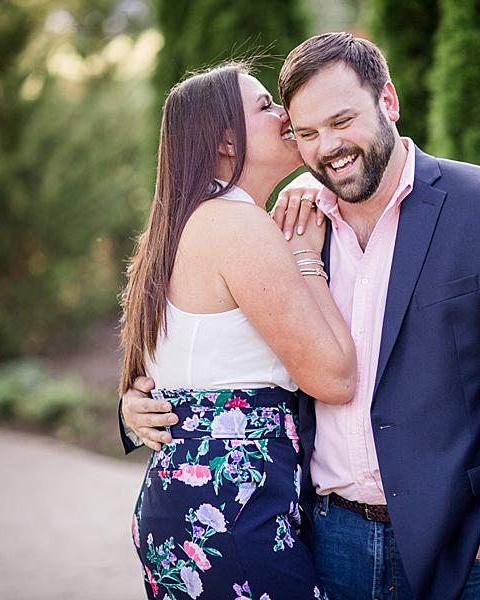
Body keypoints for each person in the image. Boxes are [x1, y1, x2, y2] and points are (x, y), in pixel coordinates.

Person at [123, 32, 480, 599]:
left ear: (388, 102)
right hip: (324, 539)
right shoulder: (286, 232)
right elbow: (197, 338)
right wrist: (135, 403)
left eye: (342, 120)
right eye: (307, 131)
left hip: (459, 546)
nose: (327, 146)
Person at [118, 62, 355, 599]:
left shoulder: (188, 222)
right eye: (267, 106)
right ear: (227, 140)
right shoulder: (237, 225)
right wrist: (304, 258)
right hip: (231, 512)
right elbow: (335, 377)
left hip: (197, 507)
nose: (286, 115)